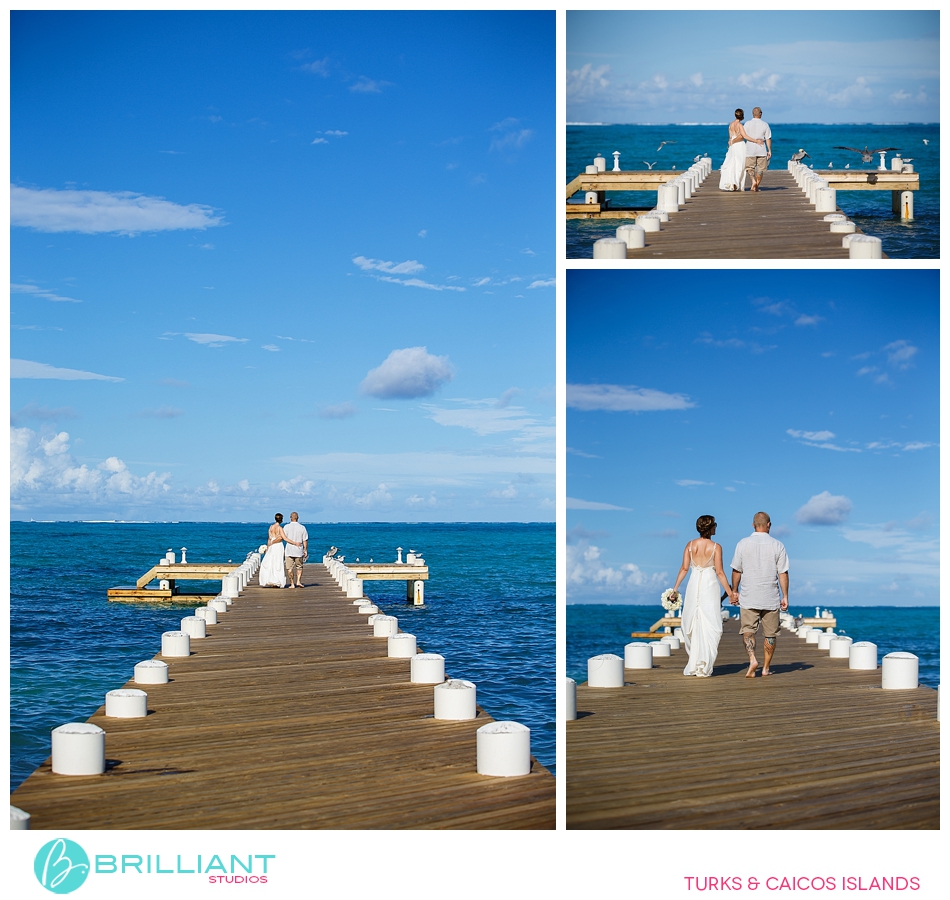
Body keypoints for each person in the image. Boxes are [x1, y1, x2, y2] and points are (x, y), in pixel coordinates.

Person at [671, 515, 738, 677]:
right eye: (715, 525)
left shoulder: (690, 545)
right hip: (709, 585)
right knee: (711, 622)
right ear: (710, 528)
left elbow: (684, 569)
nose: (716, 527)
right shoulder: (716, 547)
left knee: (692, 621)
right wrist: (731, 594)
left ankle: (696, 662)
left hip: (694, 584)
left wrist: (675, 589)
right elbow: (720, 572)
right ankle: (703, 663)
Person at [730, 511, 789, 677]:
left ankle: (752, 659)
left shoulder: (742, 544)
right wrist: (785, 596)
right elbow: (783, 573)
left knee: (748, 631)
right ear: (769, 525)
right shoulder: (778, 545)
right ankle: (766, 668)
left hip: (749, 596)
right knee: (770, 635)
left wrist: (734, 591)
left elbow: (736, 570)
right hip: (770, 597)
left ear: (753, 525)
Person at [719, 108, 765, 192]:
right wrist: (756, 141)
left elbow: (730, 137)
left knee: (732, 163)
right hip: (740, 146)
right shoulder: (740, 125)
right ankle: (737, 183)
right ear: (742, 116)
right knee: (741, 165)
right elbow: (744, 136)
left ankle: (732, 182)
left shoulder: (731, 124)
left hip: (733, 147)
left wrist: (731, 141)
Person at [258, 513, 300, 588]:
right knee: (278, 563)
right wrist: (294, 543)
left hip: (271, 546)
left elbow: (269, 539)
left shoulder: (271, 527)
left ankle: (271, 579)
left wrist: (268, 547)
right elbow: (285, 538)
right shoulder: (280, 528)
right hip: (278, 546)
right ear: (281, 520)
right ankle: (276, 580)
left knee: (271, 562)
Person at [743, 107, 772, 192]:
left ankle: (753, 181)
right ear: (761, 114)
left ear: (753, 114)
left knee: (749, 168)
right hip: (761, 149)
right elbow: (768, 138)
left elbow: (744, 136)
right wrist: (769, 150)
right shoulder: (765, 124)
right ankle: (757, 185)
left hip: (750, 149)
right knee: (760, 169)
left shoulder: (747, 124)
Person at [282, 512, 309, 589]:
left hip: (289, 550)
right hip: (299, 550)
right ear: (298, 518)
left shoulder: (286, 527)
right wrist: (305, 549)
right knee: (299, 567)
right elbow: (305, 540)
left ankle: (292, 583)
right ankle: (298, 581)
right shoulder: (302, 527)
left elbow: (284, 538)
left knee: (289, 568)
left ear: (291, 518)